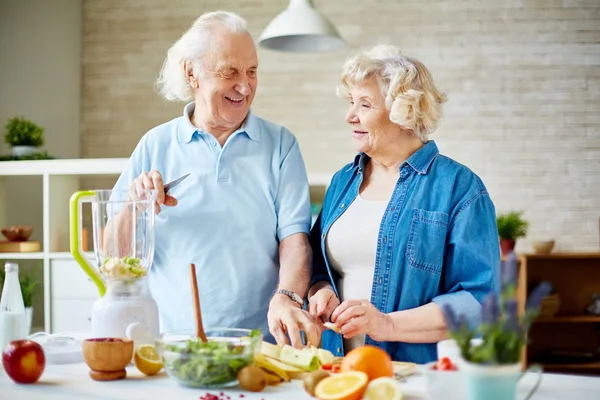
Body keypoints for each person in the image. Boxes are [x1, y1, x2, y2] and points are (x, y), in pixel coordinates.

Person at [110, 11, 319, 348]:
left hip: (261, 344)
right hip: (171, 343)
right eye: (229, 72)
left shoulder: (281, 144)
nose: (244, 86)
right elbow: (114, 254)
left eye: (252, 72)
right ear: (191, 72)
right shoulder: (155, 145)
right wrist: (134, 208)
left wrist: (288, 297)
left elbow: (295, 242)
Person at [307, 45, 500, 363]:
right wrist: (321, 291)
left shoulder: (460, 189)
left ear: (403, 112)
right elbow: (317, 267)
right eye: (351, 102)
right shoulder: (343, 181)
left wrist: (385, 324)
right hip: (339, 370)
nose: (349, 116)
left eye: (364, 104)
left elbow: (479, 302)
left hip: (415, 375)